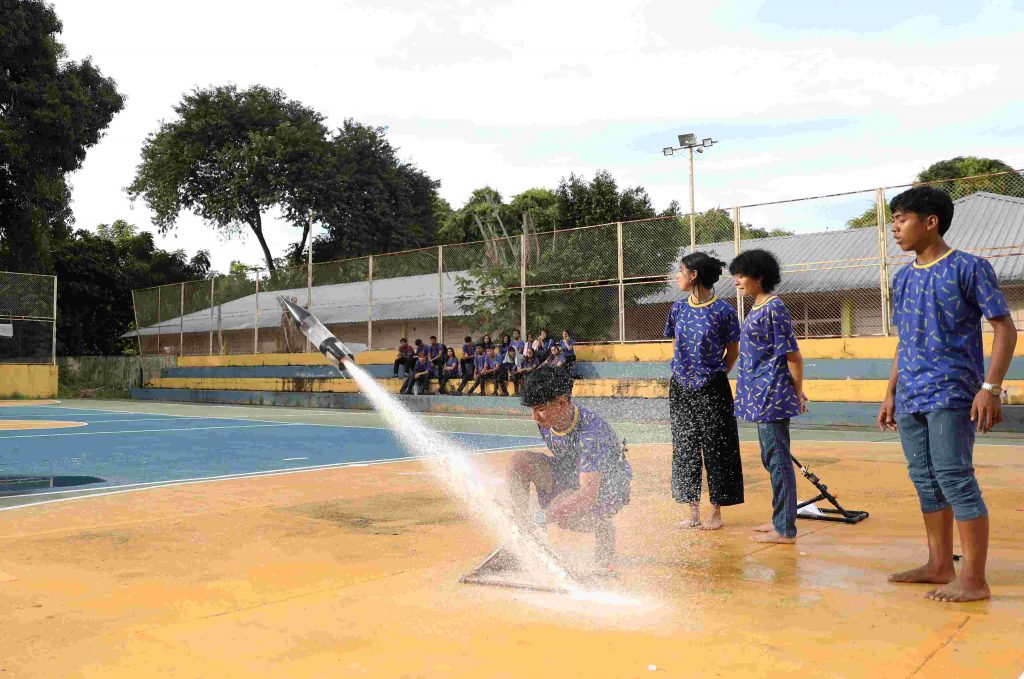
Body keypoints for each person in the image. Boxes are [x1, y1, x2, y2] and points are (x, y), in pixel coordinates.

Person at [878, 186, 1015, 603]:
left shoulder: (970, 268)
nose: (895, 228)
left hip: (953, 392)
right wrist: (890, 392)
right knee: (924, 480)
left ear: (930, 221)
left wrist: (990, 388)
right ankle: (939, 564)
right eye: (894, 220)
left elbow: (1005, 328)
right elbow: (905, 341)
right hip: (912, 395)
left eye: (902, 218)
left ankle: (974, 578)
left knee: (955, 478)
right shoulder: (902, 277)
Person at [506, 365, 632, 568]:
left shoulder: (591, 434)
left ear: (562, 402)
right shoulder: (545, 421)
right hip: (572, 472)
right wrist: (526, 521)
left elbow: (587, 494)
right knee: (519, 461)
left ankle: (603, 529)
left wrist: (540, 518)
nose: (534, 417)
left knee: (563, 511)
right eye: (532, 409)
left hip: (607, 488)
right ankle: (522, 532)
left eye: (539, 409)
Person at [729, 248, 807, 545]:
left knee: (778, 461)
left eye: (741, 275)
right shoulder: (758, 306)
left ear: (758, 277)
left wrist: (797, 395)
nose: (736, 281)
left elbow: (793, 357)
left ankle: (786, 529)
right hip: (760, 398)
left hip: (771, 398)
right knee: (771, 459)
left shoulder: (774, 308)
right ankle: (780, 519)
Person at [664, 252, 744, 531]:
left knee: (717, 449)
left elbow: (732, 351)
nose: (678, 276)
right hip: (681, 388)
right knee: (685, 448)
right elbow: (676, 343)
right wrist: (683, 373)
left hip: (712, 388)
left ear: (693, 275)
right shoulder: (677, 309)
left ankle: (716, 512)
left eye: (681, 271)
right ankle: (693, 512)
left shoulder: (724, 311)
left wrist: (715, 373)